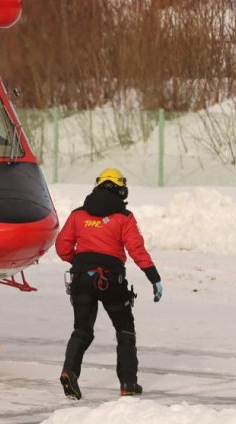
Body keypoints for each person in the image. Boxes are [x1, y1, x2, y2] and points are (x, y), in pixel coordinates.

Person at [55, 168, 163, 400]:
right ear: (120, 188)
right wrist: (153, 277)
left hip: (81, 278)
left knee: (81, 330)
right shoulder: (124, 217)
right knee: (124, 329)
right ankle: (128, 383)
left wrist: (81, 262)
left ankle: (69, 372)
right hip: (111, 280)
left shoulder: (77, 214)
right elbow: (136, 249)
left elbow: (62, 247)